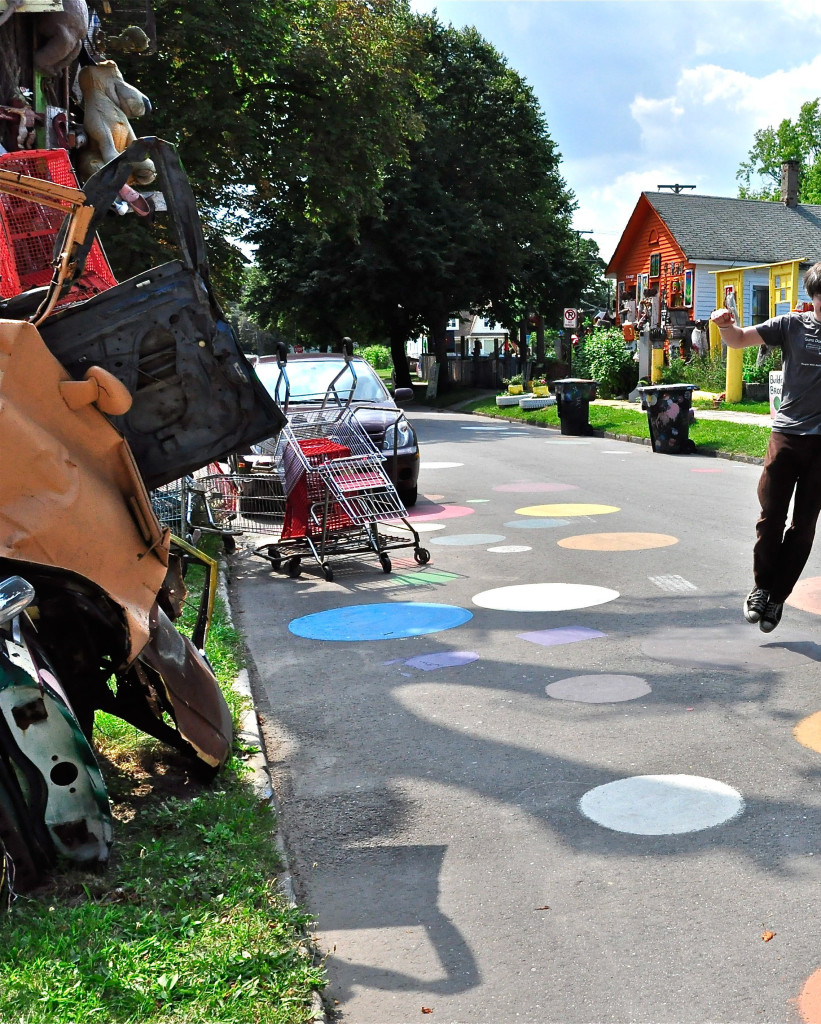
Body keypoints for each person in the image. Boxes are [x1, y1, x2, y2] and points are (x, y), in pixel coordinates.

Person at [711, 261, 821, 633]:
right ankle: (761, 588)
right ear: (814, 297)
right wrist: (725, 325)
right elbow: (740, 339)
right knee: (771, 517)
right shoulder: (791, 325)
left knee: (803, 526)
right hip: (788, 435)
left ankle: (776, 599)